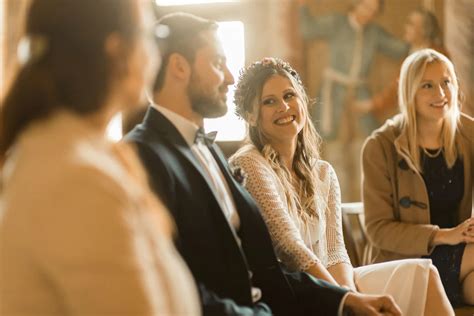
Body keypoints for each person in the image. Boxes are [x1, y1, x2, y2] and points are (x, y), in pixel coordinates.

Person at [125, 12, 402, 316]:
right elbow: (173, 285)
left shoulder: (211, 153)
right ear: (179, 66)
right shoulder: (143, 154)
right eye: (218, 63)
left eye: (289, 96)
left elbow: (266, 268)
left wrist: (344, 300)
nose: (230, 77)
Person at [0, 1, 200, 315]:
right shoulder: (76, 180)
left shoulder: (84, 151)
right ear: (117, 51)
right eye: (151, 34)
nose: (155, 53)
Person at [229, 57, 454, 316]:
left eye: (289, 95)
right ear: (250, 115)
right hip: (291, 292)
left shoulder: (323, 172)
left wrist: (349, 294)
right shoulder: (248, 164)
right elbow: (289, 247)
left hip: (329, 285)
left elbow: (335, 252)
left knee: (423, 273)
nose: (284, 106)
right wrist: (345, 299)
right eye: (269, 101)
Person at [362, 49, 474, 307]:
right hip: (405, 264)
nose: (441, 94)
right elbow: (378, 230)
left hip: (463, 261)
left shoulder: (469, 134)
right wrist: (445, 235)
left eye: (446, 82)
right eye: (428, 85)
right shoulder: (380, 146)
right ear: (409, 92)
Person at [298, 0, 409, 202]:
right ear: (355, 4)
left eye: (373, 11)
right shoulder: (337, 23)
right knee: (335, 152)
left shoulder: (374, 33)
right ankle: (340, 214)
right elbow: (308, 30)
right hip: (334, 96)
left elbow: (401, 49)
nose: (367, 14)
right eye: (365, 7)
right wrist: (303, 6)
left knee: (363, 151)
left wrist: (420, 37)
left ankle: (365, 214)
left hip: (360, 98)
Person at [364, 8, 449, 121]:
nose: (406, 28)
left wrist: (371, 105)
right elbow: (396, 88)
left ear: (424, 30)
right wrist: (372, 105)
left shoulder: (437, 56)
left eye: (411, 24)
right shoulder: (409, 54)